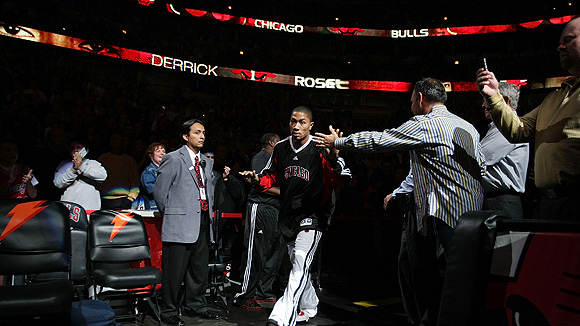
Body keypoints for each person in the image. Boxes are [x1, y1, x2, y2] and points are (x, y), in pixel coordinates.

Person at [314, 78, 485, 326]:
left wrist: (338, 142)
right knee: (460, 280)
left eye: (411, 99)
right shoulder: (468, 127)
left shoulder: (427, 124)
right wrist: (400, 192)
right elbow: (430, 169)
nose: (411, 104)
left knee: (436, 278)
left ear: (420, 98)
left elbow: (381, 140)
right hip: (471, 214)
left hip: (445, 213)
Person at [239, 106, 351, 326]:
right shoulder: (281, 148)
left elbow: (345, 178)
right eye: (293, 121)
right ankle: (309, 305)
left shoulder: (321, 148)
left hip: (314, 214)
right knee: (297, 263)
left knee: (299, 261)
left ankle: (282, 316)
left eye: (301, 122)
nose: (296, 126)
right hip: (289, 215)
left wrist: (336, 154)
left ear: (311, 125)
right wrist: (256, 180)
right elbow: (269, 176)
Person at [477, 17, 580, 221]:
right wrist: (493, 96)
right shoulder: (555, 98)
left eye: (569, 39)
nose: (560, 46)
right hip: (550, 203)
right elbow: (518, 130)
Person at [153, 119, 219, 326]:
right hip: (180, 221)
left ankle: (196, 305)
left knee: (199, 269)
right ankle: (169, 310)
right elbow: (159, 191)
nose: (202, 136)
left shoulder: (206, 162)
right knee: (175, 270)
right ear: (185, 136)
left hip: (202, 221)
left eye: (204, 133)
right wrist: (173, 212)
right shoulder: (173, 158)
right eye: (197, 132)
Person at [233, 133, 281, 311]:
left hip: (274, 210)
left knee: (270, 253)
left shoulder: (275, 160)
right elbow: (261, 184)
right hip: (260, 207)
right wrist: (284, 192)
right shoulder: (262, 157)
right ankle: (245, 294)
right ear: (271, 142)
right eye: (279, 140)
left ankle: (263, 292)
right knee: (255, 252)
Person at [480, 82, 530, 220]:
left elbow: (478, 158)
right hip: (497, 200)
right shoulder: (498, 128)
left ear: (505, 101)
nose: (483, 105)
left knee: (504, 241)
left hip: (502, 202)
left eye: (487, 99)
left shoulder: (508, 129)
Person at [53, 140, 108, 211]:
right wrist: (73, 170)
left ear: (86, 150)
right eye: (72, 148)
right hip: (69, 208)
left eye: (78, 147)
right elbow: (58, 183)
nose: (75, 150)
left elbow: (103, 176)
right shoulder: (64, 164)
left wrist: (81, 167)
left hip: (89, 208)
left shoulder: (93, 164)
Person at [97, 132, 140, 210]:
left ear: (123, 142)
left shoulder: (129, 160)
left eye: (117, 139)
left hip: (122, 199)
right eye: (112, 139)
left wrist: (130, 198)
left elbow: (135, 181)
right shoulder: (103, 159)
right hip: (103, 199)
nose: (114, 141)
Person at [139, 142, 166, 210]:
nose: (162, 153)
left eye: (163, 151)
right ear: (151, 155)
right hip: (154, 207)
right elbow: (151, 189)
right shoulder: (148, 171)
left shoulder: (168, 170)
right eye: (158, 151)